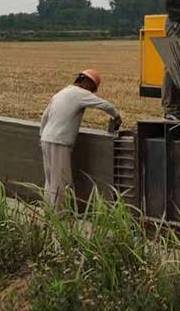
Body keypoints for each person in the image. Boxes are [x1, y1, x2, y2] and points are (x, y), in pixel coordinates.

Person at [39, 68, 121, 207]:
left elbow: (44, 116)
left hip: (46, 138)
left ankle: (48, 212)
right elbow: (105, 105)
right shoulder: (80, 93)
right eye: (92, 88)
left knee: (50, 179)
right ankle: (60, 217)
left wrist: (42, 135)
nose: (91, 92)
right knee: (62, 180)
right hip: (60, 140)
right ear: (87, 82)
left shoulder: (61, 93)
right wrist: (117, 116)